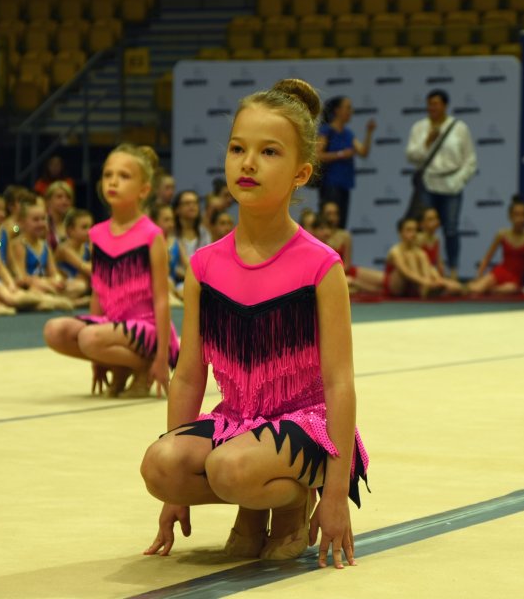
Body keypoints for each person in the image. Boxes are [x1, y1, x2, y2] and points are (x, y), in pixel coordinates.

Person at [139, 79, 368, 569]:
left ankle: (287, 503)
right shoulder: (203, 266)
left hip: (307, 422)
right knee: (160, 466)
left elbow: (339, 382)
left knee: (229, 466)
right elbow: (189, 374)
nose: (248, 163)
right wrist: (175, 494)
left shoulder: (320, 266)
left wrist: (333, 491)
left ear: (301, 172)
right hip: (240, 419)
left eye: (269, 152)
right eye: (238, 148)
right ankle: (252, 498)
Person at [43, 144, 179, 398]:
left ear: (144, 190)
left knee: (89, 337)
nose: (113, 182)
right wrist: (99, 360)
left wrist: (162, 356)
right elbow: (99, 291)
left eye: (124, 176)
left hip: (145, 326)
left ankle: (145, 367)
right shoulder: (97, 234)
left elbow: (162, 300)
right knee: (54, 330)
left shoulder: (151, 235)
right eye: (108, 175)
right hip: (111, 324)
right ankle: (121, 367)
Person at [405, 89, 477, 280]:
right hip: (429, 181)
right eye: (429, 104)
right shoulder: (420, 127)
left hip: (452, 183)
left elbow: (470, 159)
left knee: (451, 228)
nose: (432, 108)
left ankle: (452, 270)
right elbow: (412, 156)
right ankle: (426, 272)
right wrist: (426, 143)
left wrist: (459, 180)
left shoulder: (459, 127)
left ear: (445, 105)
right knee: (425, 229)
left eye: (436, 104)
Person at [316, 95, 375, 229]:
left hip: (345, 184)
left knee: (341, 224)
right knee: (328, 223)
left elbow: (363, 152)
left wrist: (369, 133)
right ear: (337, 110)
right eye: (348, 108)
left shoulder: (348, 133)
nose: (351, 111)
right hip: (330, 184)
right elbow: (317, 156)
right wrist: (341, 154)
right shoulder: (326, 131)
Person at [9, 196, 75, 310]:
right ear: (22, 223)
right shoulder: (19, 245)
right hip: (29, 287)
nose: (40, 223)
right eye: (35, 220)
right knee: (36, 289)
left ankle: (45, 302)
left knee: (76, 286)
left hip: (44, 284)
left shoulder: (44, 244)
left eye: (43, 219)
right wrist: (42, 282)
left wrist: (57, 280)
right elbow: (21, 277)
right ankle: (52, 301)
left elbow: (54, 272)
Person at [468, 196, 524, 296]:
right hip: (500, 272)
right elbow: (487, 259)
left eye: (523, 215)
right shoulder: (502, 234)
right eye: (516, 215)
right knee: (476, 289)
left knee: (510, 289)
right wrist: (478, 277)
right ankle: (462, 288)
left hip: (515, 280)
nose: (520, 218)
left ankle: (486, 291)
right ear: (510, 216)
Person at [385, 216, 462, 298]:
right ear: (400, 233)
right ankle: (424, 289)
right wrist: (426, 282)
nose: (413, 234)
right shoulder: (395, 251)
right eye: (409, 230)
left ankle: (427, 289)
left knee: (453, 285)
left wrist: (439, 280)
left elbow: (427, 269)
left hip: (415, 284)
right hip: (395, 286)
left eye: (415, 230)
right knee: (411, 256)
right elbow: (405, 272)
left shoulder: (420, 252)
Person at [320, 200, 383, 295]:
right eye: (329, 213)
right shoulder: (318, 236)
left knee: (384, 280)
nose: (332, 217)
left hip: (346, 271)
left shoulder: (345, 235)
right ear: (322, 215)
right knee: (370, 288)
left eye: (335, 213)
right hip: (330, 276)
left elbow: (347, 264)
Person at [150, 202, 187, 303]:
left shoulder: (175, 242)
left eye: (172, 220)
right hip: (155, 283)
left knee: (185, 289)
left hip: (173, 283)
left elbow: (189, 266)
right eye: (166, 220)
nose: (171, 224)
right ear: (154, 221)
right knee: (167, 283)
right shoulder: (150, 243)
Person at [55, 208, 93, 303]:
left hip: (81, 284)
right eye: (84, 227)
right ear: (70, 230)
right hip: (65, 286)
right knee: (81, 285)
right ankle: (72, 302)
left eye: (91, 226)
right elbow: (86, 269)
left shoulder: (86, 247)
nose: (89, 231)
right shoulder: (64, 249)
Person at [172, 189, 211, 261]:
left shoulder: (204, 233)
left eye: (195, 203)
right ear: (177, 209)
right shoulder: (171, 233)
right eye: (187, 203)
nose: (192, 206)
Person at [45, 180, 75, 251]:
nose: (64, 201)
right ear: (48, 200)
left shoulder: (75, 222)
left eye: (68, 197)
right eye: (59, 197)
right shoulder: (42, 222)